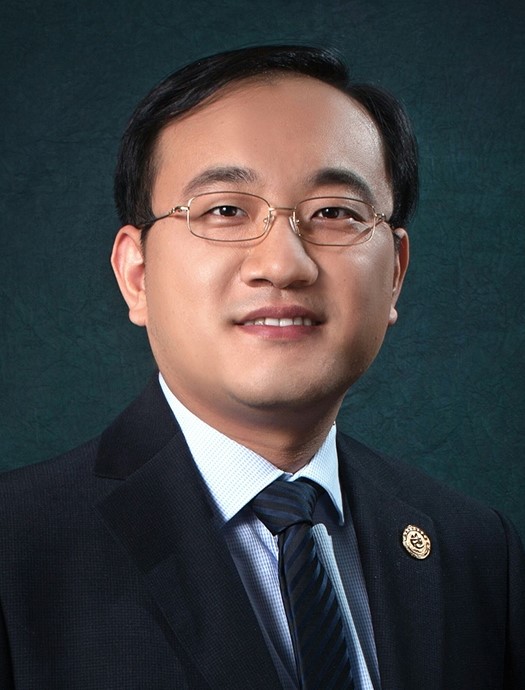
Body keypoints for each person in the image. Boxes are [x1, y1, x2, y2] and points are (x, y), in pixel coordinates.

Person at [0, 45, 523, 690]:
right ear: (137, 274)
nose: (283, 264)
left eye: (335, 213)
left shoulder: (477, 551)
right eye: (224, 210)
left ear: (395, 273)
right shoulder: (15, 547)